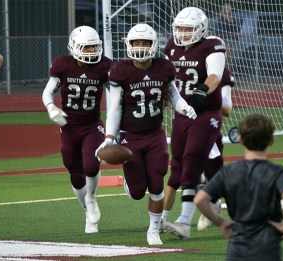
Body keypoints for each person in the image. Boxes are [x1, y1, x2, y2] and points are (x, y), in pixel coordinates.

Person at [95, 23, 197, 245]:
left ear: (153, 45)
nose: (140, 47)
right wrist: (110, 138)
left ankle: (153, 229)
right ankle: (131, 185)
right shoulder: (120, 70)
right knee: (137, 192)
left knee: (158, 181)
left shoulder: (163, 67)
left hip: (154, 135)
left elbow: (174, 96)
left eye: (145, 43)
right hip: (130, 136)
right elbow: (115, 108)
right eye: (136, 43)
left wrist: (185, 107)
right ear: (129, 45)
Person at [161, 7, 226, 239]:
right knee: (179, 164)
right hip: (182, 114)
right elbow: (167, 79)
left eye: (188, 29)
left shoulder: (212, 45)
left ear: (200, 29)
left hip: (205, 113)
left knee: (192, 160)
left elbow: (215, 75)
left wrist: (202, 91)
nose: (183, 33)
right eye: (179, 28)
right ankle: (217, 200)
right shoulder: (171, 47)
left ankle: (184, 221)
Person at [42, 26, 113, 234]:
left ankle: (91, 199)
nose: (91, 52)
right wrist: (50, 107)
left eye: (94, 47)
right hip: (69, 125)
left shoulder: (104, 66)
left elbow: (116, 94)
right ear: (74, 47)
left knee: (91, 165)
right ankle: (86, 209)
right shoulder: (63, 65)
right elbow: (48, 92)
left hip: (92, 125)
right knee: (73, 170)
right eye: (86, 47)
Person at [194, 114, 283, 261]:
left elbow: (200, 200)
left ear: (240, 140)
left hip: (237, 246)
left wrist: (221, 223)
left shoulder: (227, 172)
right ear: (271, 140)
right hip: (268, 245)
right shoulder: (278, 172)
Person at [161, 67, 234, 231]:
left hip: (208, 132)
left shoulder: (221, 74)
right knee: (176, 177)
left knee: (215, 179)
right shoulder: (179, 64)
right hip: (183, 128)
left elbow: (227, 109)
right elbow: (168, 101)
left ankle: (222, 208)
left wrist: (205, 98)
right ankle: (163, 220)